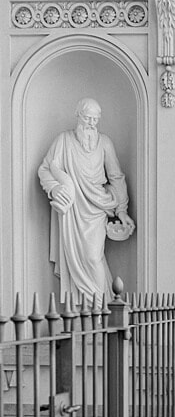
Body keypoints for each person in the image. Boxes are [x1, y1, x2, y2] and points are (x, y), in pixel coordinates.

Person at [37, 97, 132, 298]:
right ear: (78, 115)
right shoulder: (63, 140)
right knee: (74, 261)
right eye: (87, 118)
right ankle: (88, 311)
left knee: (92, 257)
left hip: (97, 208)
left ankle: (99, 309)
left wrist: (121, 209)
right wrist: (54, 189)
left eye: (95, 119)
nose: (90, 123)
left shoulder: (105, 142)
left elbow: (116, 176)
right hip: (72, 210)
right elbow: (45, 169)